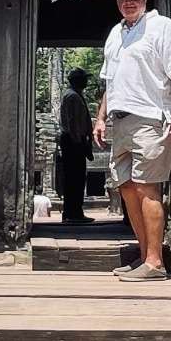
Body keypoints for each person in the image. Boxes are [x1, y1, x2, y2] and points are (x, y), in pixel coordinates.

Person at [94, 0, 171, 280]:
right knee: (126, 189)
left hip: (150, 118)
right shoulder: (115, 33)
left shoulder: (161, 27)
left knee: (147, 188)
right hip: (120, 121)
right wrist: (100, 117)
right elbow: (112, 80)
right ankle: (143, 255)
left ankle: (156, 262)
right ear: (117, 1)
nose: (129, 1)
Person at [59, 66, 94, 223]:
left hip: (75, 140)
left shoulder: (75, 95)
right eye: (84, 78)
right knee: (75, 177)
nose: (86, 81)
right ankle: (73, 213)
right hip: (73, 141)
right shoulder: (72, 96)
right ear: (77, 80)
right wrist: (78, 141)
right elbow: (72, 121)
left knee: (77, 177)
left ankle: (73, 211)